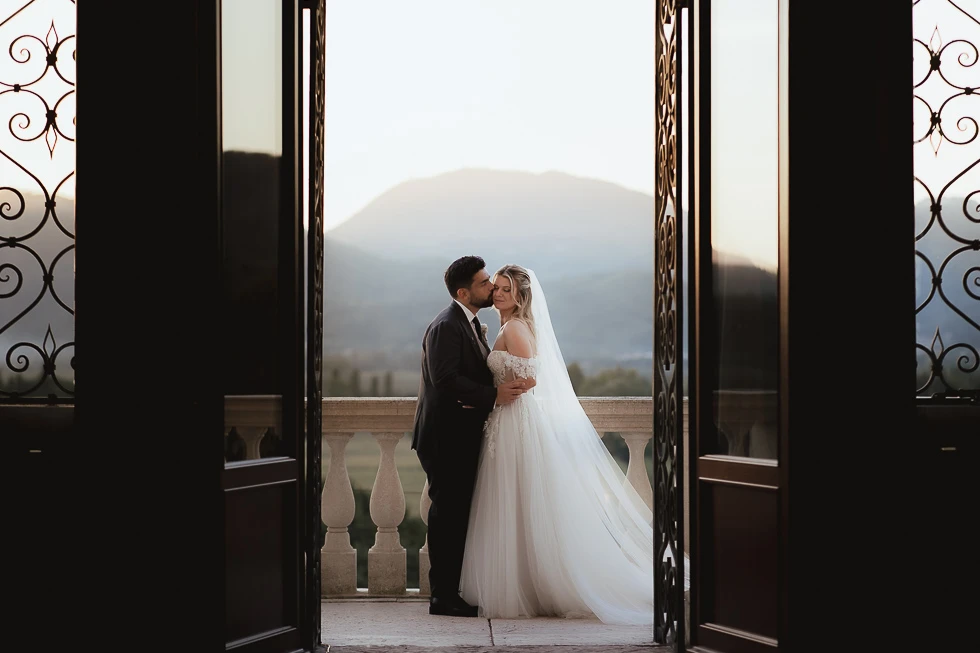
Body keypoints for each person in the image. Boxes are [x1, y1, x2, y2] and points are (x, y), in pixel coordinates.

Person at [458, 264, 689, 625]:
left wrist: (504, 392)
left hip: (515, 420)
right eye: (497, 287)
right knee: (512, 502)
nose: (498, 293)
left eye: (505, 289)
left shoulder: (516, 327)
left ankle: (532, 586)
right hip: (507, 420)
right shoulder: (510, 325)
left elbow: (532, 376)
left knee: (516, 499)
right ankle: (522, 582)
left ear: (520, 295)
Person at [411, 255, 527, 617]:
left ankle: (451, 591)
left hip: (460, 435)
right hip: (445, 437)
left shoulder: (472, 323)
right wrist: (493, 397)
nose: (491, 287)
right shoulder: (447, 325)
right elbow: (445, 379)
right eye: (483, 283)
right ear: (464, 292)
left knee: (457, 514)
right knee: (447, 516)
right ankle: (442, 597)